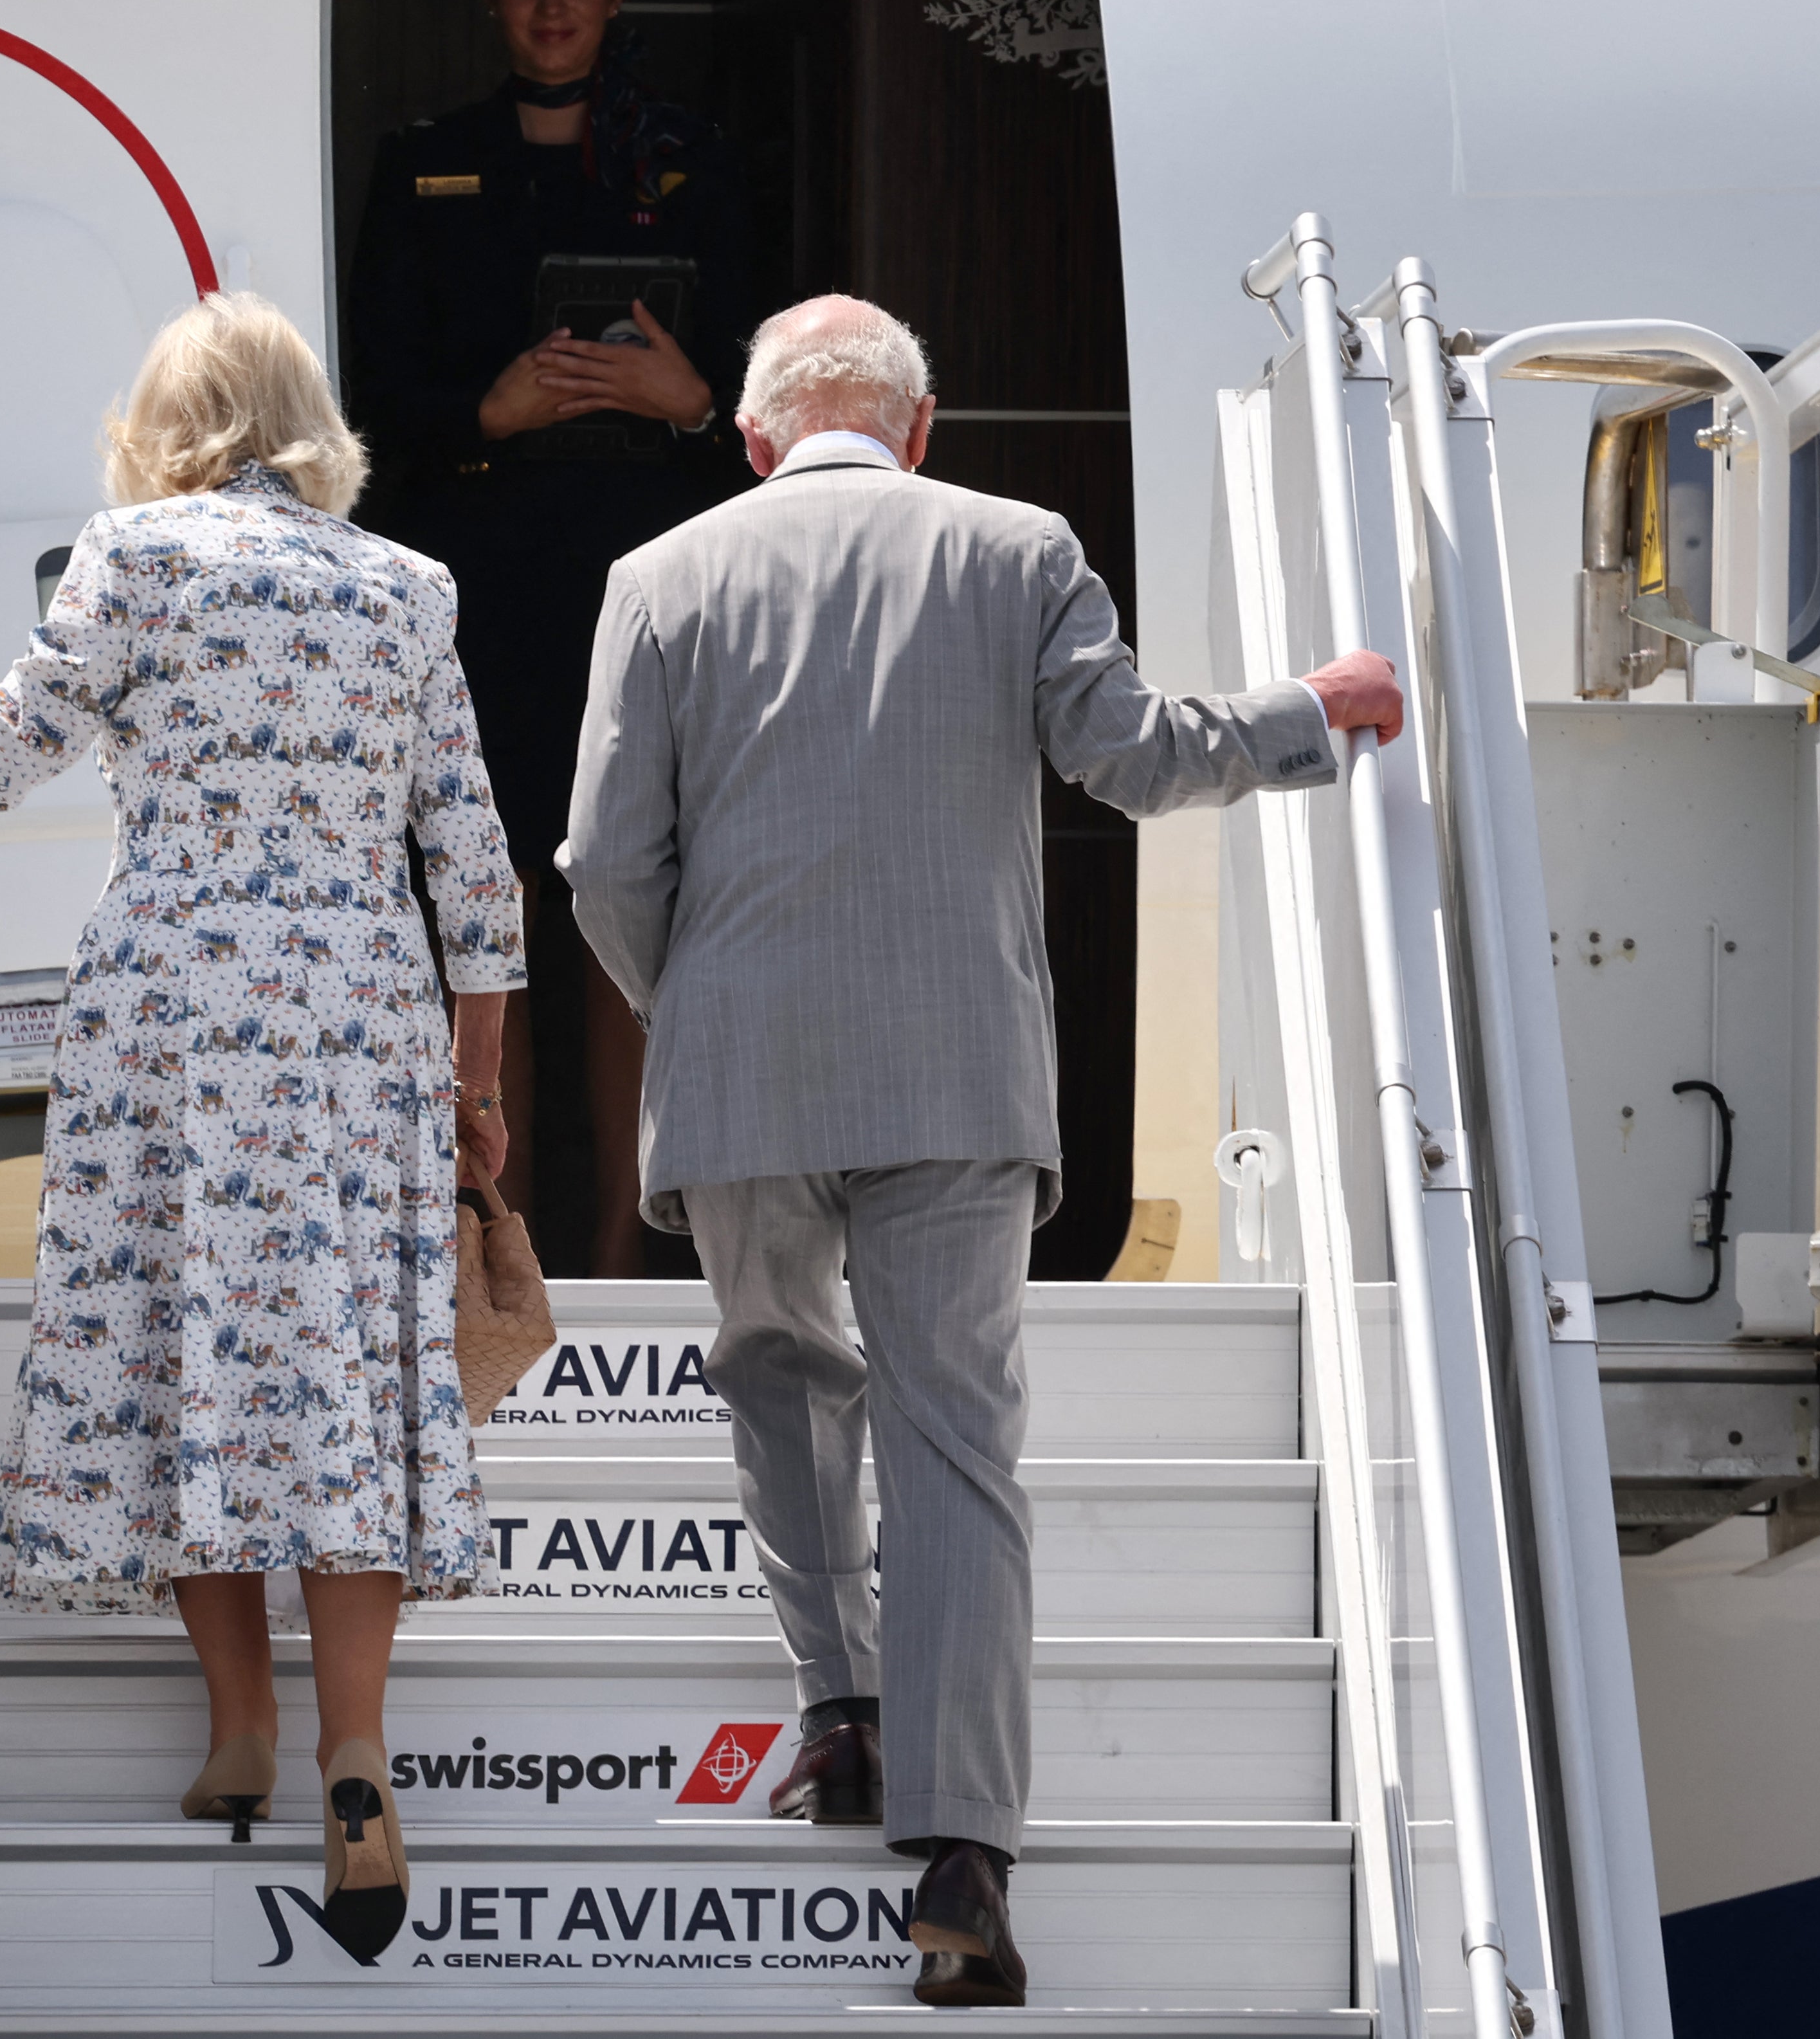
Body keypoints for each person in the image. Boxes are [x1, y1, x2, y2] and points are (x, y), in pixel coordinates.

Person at [555, 295, 1403, 2007]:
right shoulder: (1018, 548)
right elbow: (1133, 757)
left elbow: (596, 860)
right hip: (951, 1077)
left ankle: (842, 1708)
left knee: (781, 1373)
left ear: (751, 439)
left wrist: (701, 1005)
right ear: (919, 427)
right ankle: (960, 1853)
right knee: (951, 1438)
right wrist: (1307, 710)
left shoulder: (657, 577)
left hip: (742, 1076)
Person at [0, 293, 523, 1957]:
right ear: (308, 420)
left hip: (177, 1015)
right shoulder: (407, 587)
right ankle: (355, 1746)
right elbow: (477, 880)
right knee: (341, 1364)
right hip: (358, 1014)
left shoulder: (130, 558)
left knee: (189, 1344)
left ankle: (234, 1733)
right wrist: (475, 1094)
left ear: (161, 421)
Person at [350, 0, 751, 1279]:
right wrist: (483, 417)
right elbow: (366, 405)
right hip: (483, 577)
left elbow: (778, 391)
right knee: (490, 905)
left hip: (651, 573)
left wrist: (686, 395)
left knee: (626, 901)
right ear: (487, 0)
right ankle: (492, 1245)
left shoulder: (697, 160)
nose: (550, 7)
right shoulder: (422, 165)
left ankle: (622, 1249)